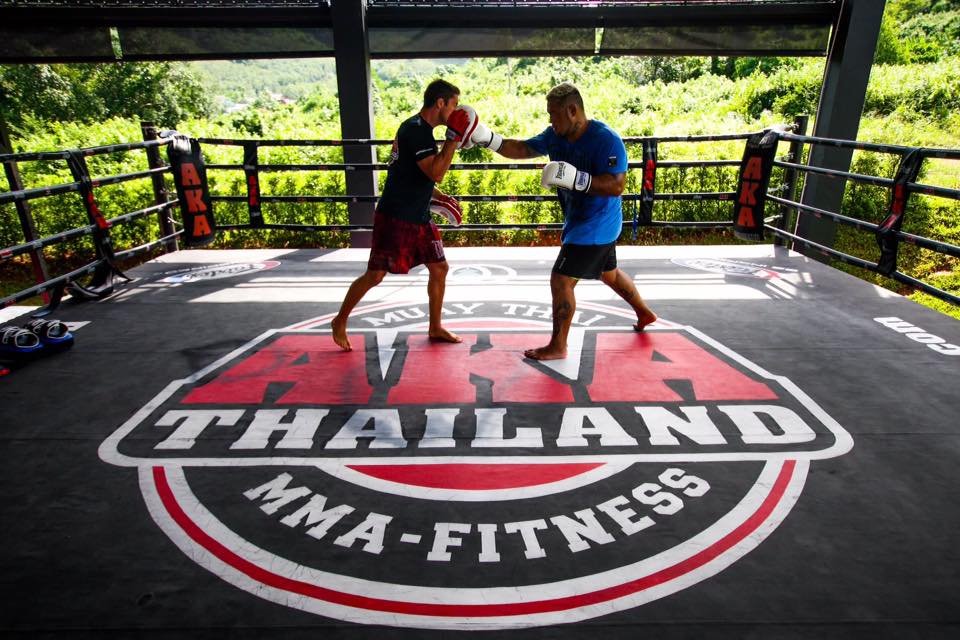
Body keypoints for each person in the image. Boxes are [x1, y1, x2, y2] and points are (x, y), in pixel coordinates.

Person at [469, 81, 657, 360]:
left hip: (597, 223)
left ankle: (559, 345)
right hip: (581, 220)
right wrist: (487, 138)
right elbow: (522, 148)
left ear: (572, 111)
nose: (550, 120)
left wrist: (577, 179)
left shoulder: (606, 139)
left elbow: (617, 185)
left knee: (561, 280)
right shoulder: (554, 136)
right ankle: (644, 313)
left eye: (554, 114)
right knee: (609, 273)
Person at [331, 79, 471, 351]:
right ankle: (340, 319)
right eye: (453, 104)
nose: (455, 112)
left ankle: (435, 326)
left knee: (439, 269)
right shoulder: (416, 131)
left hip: (418, 216)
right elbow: (437, 172)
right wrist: (452, 140)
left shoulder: (420, 130)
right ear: (440, 102)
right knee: (375, 275)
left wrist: (439, 197)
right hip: (396, 216)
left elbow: (415, 175)